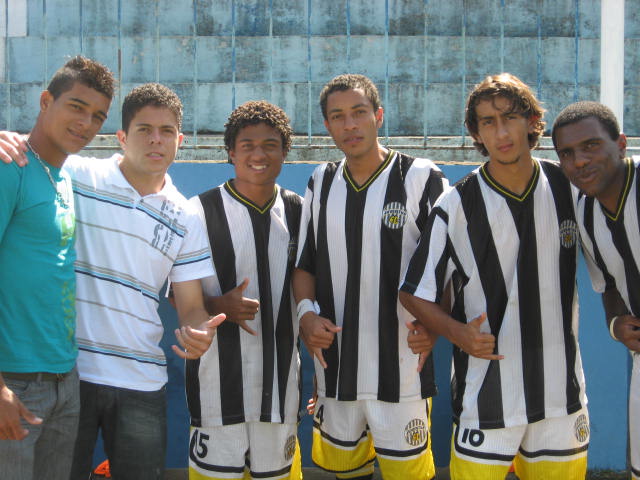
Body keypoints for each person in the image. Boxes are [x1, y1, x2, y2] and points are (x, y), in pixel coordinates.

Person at [0, 83, 223, 480]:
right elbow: (33, 154)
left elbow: (190, 304)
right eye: (144, 129)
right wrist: (6, 140)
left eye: (167, 131)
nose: (156, 140)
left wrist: (197, 329)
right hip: (71, 377)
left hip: (143, 380)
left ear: (180, 140)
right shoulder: (75, 176)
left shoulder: (187, 216)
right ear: (121, 136)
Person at [399, 73, 589, 480]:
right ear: (476, 133)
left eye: (510, 117)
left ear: (534, 121)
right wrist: (456, 333)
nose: (501, 131)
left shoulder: (568, 187)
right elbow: (414, 293)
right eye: (488, 122)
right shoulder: (456, 204)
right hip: (485, 396)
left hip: (561, 394)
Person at [293, 73, 448, 480]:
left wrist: (436, 325)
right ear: (327, 126)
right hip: (336, 370)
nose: (350, 125)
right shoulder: (320, 181)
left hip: (403, 369)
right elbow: (304, 265)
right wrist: (306, 316)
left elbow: (449, 264)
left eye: (359, 113)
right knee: (344, 473)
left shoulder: (421, 177)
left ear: (378, 116)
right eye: (338, 116)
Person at [0, 56, 114, 480]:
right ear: (46, 100)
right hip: (15, 382)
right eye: (76, 107)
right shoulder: (9, 167)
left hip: (65, 379)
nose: (86, 123)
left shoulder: (64, 177)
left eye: (98, 116)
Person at [184, 100, 303, 479]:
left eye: (270, 144)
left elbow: (312, 291)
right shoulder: (198, 212)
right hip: (216, 393)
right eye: (247, 144)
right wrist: (218, 304)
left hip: (280, 393)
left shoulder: (301, 212)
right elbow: (177, 293)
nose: (258, 153)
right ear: (230, 152)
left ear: (285, 151)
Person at [552, 101, 640, 480]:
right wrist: (616, 323)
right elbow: (609, 285)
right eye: (568, 154)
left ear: (620, 143)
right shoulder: (584, 214)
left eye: (591, 146)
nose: (580, 161)